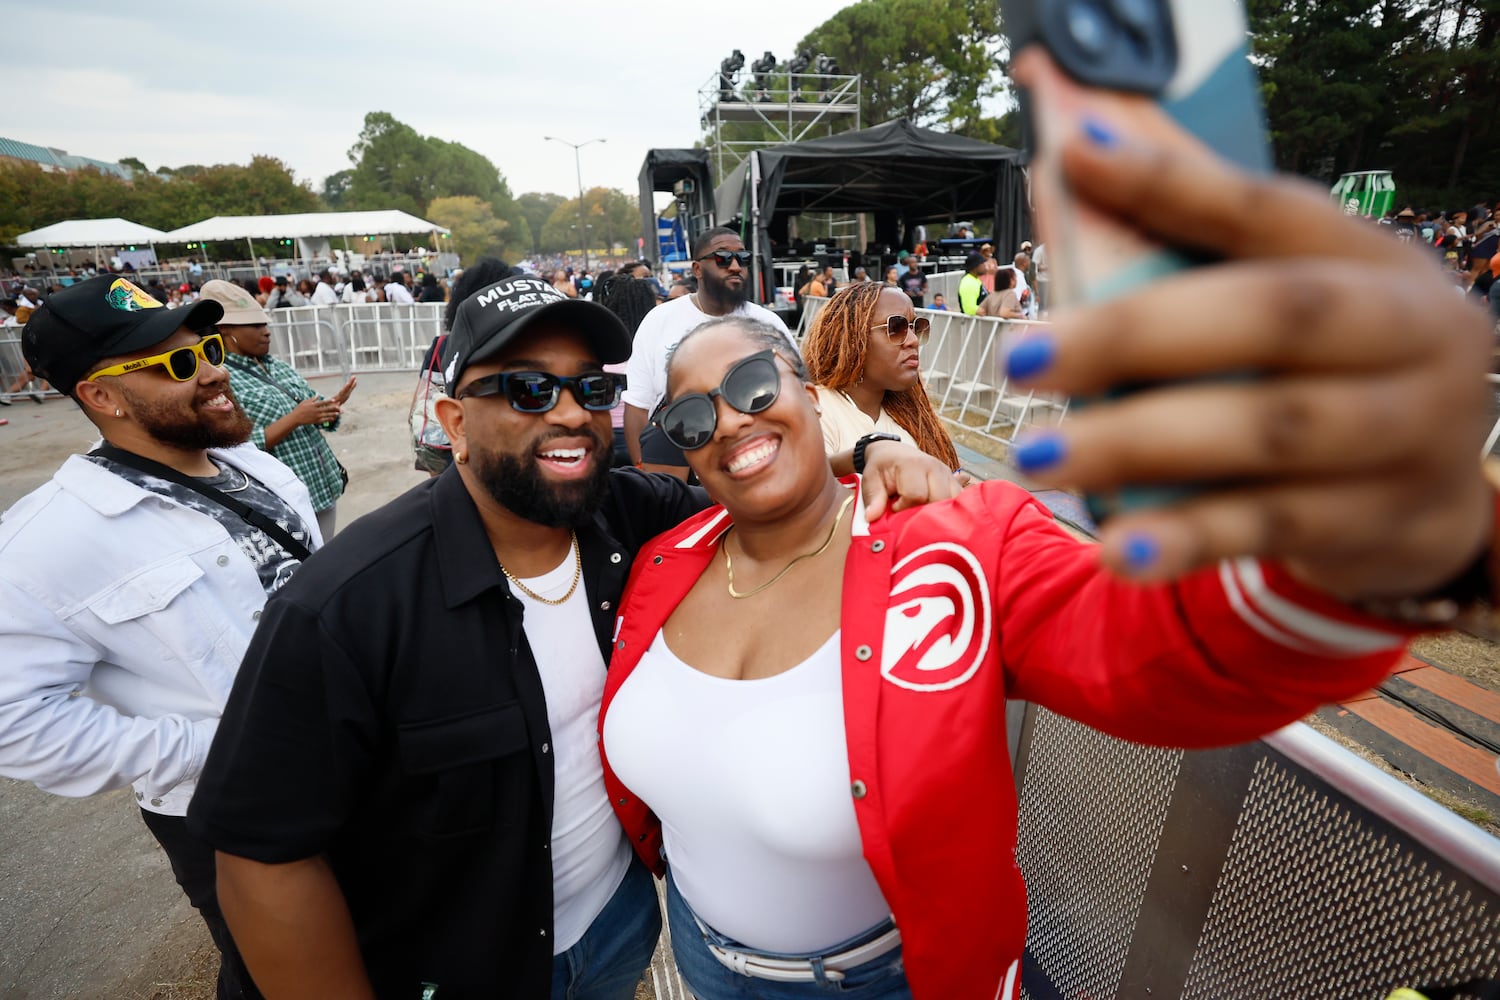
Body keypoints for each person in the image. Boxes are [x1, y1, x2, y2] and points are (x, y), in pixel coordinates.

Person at [595, 106, 1500, 1000]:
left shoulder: (953, 543)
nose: (731, 423)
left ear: (806, 383)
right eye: (692, 414)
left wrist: (1360, 539)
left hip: (889, 979)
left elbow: (1158, 659)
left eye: (755, 384)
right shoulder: (664, 562)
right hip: (706, 960)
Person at [187, 274, 955, 999]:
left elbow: (751, 469)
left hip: (621, 930)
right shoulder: (348, 603)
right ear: (454, 422)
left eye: (591, 388)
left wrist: (873, 452)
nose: (567, 414)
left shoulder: (631, 519)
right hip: (456, 966)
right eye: (526, 388)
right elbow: (262, 856)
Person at [0, 275, 323, 1000]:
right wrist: (203, 748)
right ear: (102, 398)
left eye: (205, 347)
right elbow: (13, 719)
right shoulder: (44, 543)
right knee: (281, 980)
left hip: (351, 773)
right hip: (236, 819)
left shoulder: (254, 466)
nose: (211, 370)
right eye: (174, 364)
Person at [622, 227, 792, 475]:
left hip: (755, 464)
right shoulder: (659, 320)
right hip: (676, 471)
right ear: (697, 269)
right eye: (723, 257)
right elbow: (638, 406)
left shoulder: (769, 324)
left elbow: (795, 398)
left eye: (742, 258)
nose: (735, 266)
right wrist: (647, 479)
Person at [198, 280, 355, 540]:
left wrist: (329, 410)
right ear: (226, 330)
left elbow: (313, 409)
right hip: (281, 500)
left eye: (266, 324)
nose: (266, 332)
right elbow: (231, 449)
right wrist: (295, 419)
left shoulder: (278, 366)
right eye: (256, 326)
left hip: (320, 487)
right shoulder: (220, 378)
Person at [802, 281, 960, 470]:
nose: (913, 340)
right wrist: (866, 455)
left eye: (915, 327)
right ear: (853, 339)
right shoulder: (818, 409)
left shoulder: (909, 416)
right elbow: (808, 479)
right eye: (895, 328)